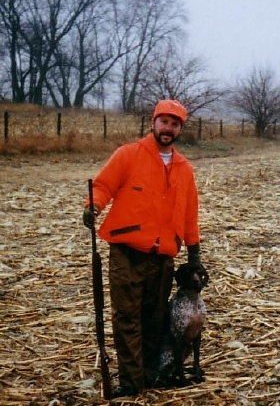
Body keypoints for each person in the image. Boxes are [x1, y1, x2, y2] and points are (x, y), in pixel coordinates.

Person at [83, 99, 205, 398]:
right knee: (127, 316)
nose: (168, 128)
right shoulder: (128, 155)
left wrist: (194, 253)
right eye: (164, 121)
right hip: (126, 252)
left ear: (180, 129)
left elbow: (189, 213)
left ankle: (152, 376)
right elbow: (102, 186)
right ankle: (131, 382)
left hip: (162, 257)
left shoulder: (184, 169)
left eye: (174, 124)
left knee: (154, 318)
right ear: (153, 122)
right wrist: (93, 206)